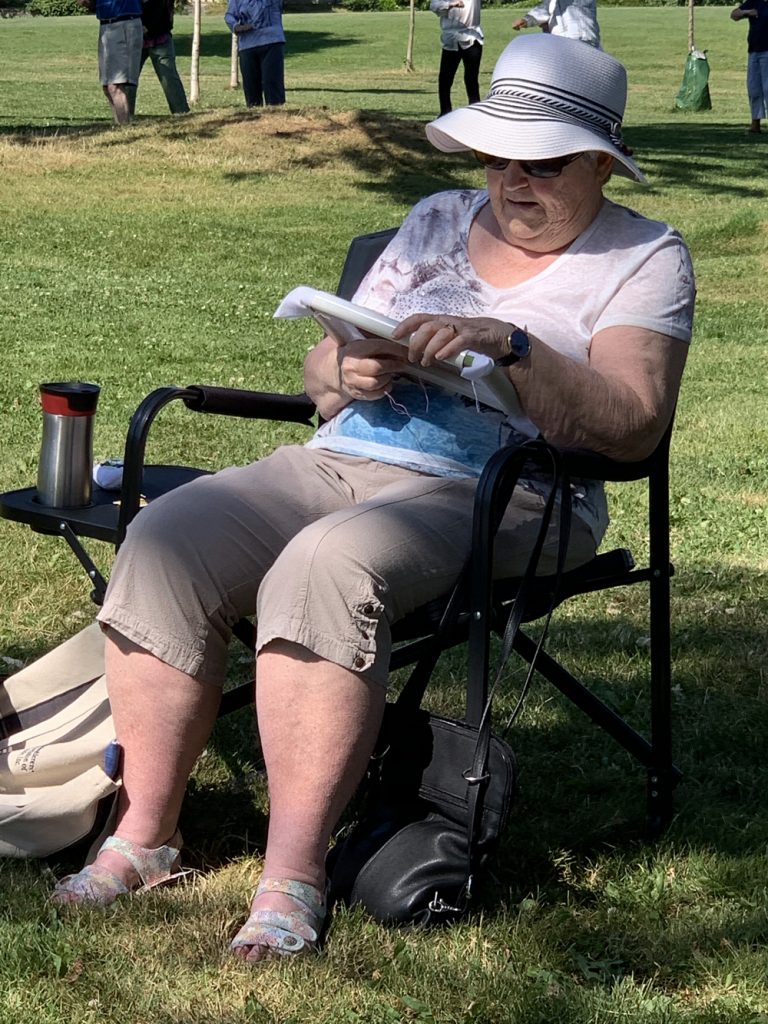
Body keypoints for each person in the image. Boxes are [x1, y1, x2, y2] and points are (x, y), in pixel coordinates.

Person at [51, 34, 695, 963]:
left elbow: (632, 424)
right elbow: (322, 369)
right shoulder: (436, 217)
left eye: (542, 162)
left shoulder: (647, 256)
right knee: (167, 537)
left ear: (601, 160)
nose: (510, 180)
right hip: (348, 454)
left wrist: (514, 346)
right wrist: (344, 366)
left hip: (508, 493)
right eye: (493, 155)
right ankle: (145, 835)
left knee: (329, 563)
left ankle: (292, 877)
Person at [78, 0, 144, 125]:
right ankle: (120, 125)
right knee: (107, 85)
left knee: (115, 85)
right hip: (108, 25)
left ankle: (124, 129)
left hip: (122, 24)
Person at [131, 0, 190, 116]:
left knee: (169, 76)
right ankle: (124, 116)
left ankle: (181, 111)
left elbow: (162, 9)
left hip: (160, 36)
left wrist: (147, 26)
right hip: (136, 38)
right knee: (129, 79)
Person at [224, 0, 286, 108]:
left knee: (272, 84)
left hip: (272, 41)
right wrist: (237, 27)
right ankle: (253, 117)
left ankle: (277, 116)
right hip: (248, 45)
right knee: (251, 86)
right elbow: (229, 16)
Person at [429, 0, 484, 116]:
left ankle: (475, 112)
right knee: (445, 78)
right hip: (450, 40)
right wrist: (450, 4)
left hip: (471, 37)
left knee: (471, 78)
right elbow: (433, 6)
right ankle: (445, 112)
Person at [730, 0, 768, 133]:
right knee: (754, 89)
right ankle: (755, 124)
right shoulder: (754, 2)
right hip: (753, 51)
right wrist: (747, 12)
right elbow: (734, 15)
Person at [512, 0, 600, 48]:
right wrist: (526, 20)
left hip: (586, 41)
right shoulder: (553, 2)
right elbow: (543, 10)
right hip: (562, 43)